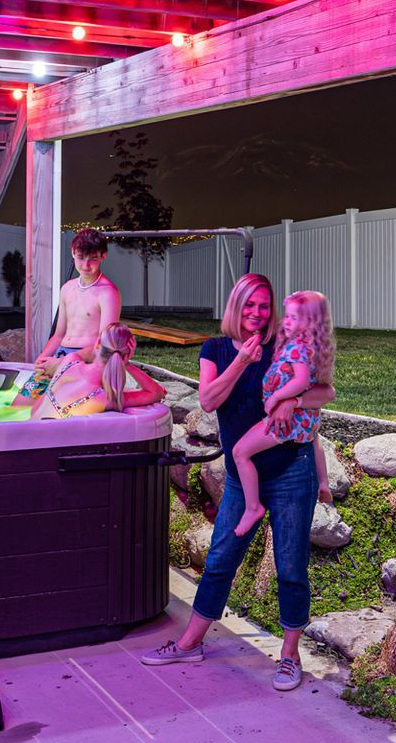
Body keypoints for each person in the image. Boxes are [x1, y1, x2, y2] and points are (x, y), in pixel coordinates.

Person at [139, 274, 336, 691]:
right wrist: (242, 361)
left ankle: (288, 655)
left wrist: (292, 400)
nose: (257, 313)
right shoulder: (215, 349)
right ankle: (191, 642)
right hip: (239, 476)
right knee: (220, 560)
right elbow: (209, 400)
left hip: (290, 470)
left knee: (290, 566)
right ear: (236, 306)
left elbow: (325, 392)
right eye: (250, 305)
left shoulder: (285, 347)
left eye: (264, 306)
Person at [229, 291, 335, 537]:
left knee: (240, 452)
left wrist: (278, 398)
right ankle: (323, 483)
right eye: (286, 316)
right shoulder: (312, 347)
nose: (285, 321)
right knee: (315, 439)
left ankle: (253, 507)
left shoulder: (296, 349)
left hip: (286, 421)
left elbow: (300, 381)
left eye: (293, 318)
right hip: (306, 420)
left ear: (310, 323)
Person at [17, 229, 120, 405]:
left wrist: (62, 363)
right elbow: (59, 335)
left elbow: (105, 345)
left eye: (93, 259)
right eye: (81, 258)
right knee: (20, 405)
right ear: (73, 252)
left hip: (85, 362)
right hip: (60, 355)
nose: (86, 265)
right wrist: (42, 359)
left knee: (52, 409)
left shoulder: (108, 293)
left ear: (103, 256)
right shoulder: (67, 289)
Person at [14, 322, 166, 418]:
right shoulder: (106, 398)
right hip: (50, 445)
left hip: (29, 428)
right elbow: (157, 392)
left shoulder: (70, 361)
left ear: (98, 343)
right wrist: (127, 364)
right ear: (126, 355)